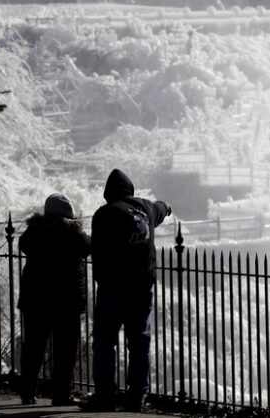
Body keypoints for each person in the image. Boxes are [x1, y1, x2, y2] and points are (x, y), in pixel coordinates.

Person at [81, 168, 172, 412]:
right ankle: (137, 398)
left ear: (108, 194)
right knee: (139, 341)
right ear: (130, 191)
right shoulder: (146, 208)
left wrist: (102, 278)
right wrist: (167, 207)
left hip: (113, 287)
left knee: (104, 342)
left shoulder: (104, 214)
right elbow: (162, 207)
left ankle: (105, 396)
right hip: (142, 287)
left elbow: (97, 250)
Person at [17, 193, 91, 406]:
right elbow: (89, 246)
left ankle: (28, 391)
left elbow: (23, 244)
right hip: (67, 301)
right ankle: (61, 394)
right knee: (66, 350)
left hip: (36, 298)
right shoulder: (75, 235)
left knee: (33, 346)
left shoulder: (35, 232)